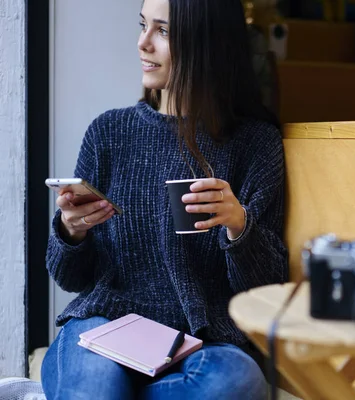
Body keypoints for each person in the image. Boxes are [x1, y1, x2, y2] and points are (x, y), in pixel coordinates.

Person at [34, 0, 288, 398]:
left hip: (205, 342)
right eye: (142, 26)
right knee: (96, 385)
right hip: (105, 325)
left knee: (238, 380)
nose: (142, 43)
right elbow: (70, 278)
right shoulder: (109, 132)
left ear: (207, 43)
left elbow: (268, 289)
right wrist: (70, 232)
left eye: (163, 31)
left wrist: (239, 226)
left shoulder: (256, 145)